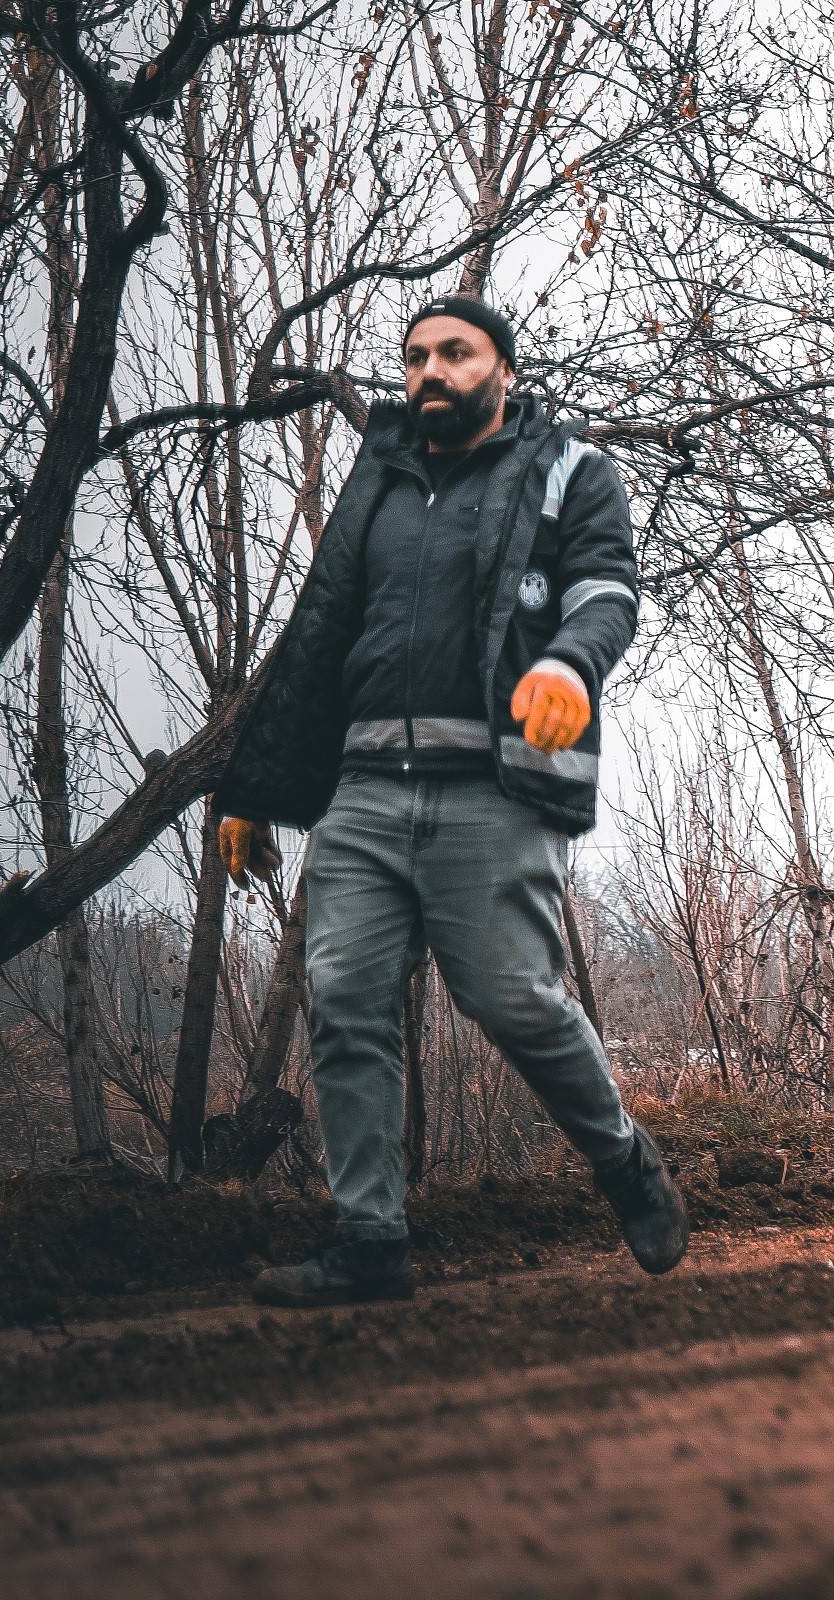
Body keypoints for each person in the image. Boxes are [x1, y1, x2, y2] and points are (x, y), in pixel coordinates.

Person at [215, 295, 685, 1307]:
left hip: (492, 788)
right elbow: (319, 630)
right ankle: (370, 1238)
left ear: (504, 369)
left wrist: (567, 662)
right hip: (365, 791)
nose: (431, 369)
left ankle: (623, 1159)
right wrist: (252, 788)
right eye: (415, 354)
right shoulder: (377, 481)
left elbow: (609, 589)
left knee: (513, 997)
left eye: (456, 352)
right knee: (343, 1000)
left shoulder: (569, 469)